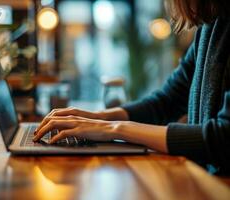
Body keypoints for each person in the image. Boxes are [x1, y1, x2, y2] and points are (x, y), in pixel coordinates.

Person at [33, 0, 230, 173]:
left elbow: (223, 137)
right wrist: (96, 118)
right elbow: (166, 101)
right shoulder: (211, 24)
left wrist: (115, 129)